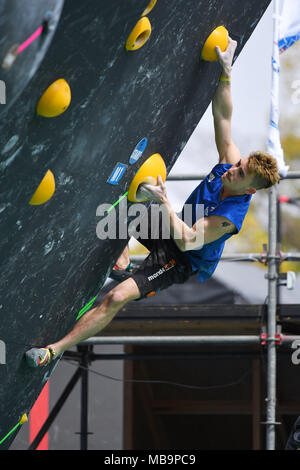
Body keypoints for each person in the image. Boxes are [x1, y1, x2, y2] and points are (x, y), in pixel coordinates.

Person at [26, 37, 280, 367]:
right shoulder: (228, 166)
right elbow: (224, 119)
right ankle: (122, 259)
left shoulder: (230, 217)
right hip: (173, 225)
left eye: (240, 172)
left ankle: (53, 351)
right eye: (238, 164)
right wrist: (226, 72)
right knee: (118, 207)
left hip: (180, 258)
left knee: (116, 297)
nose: (232, 168)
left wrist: (161, 202)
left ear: (249, 190)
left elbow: (187, 240)